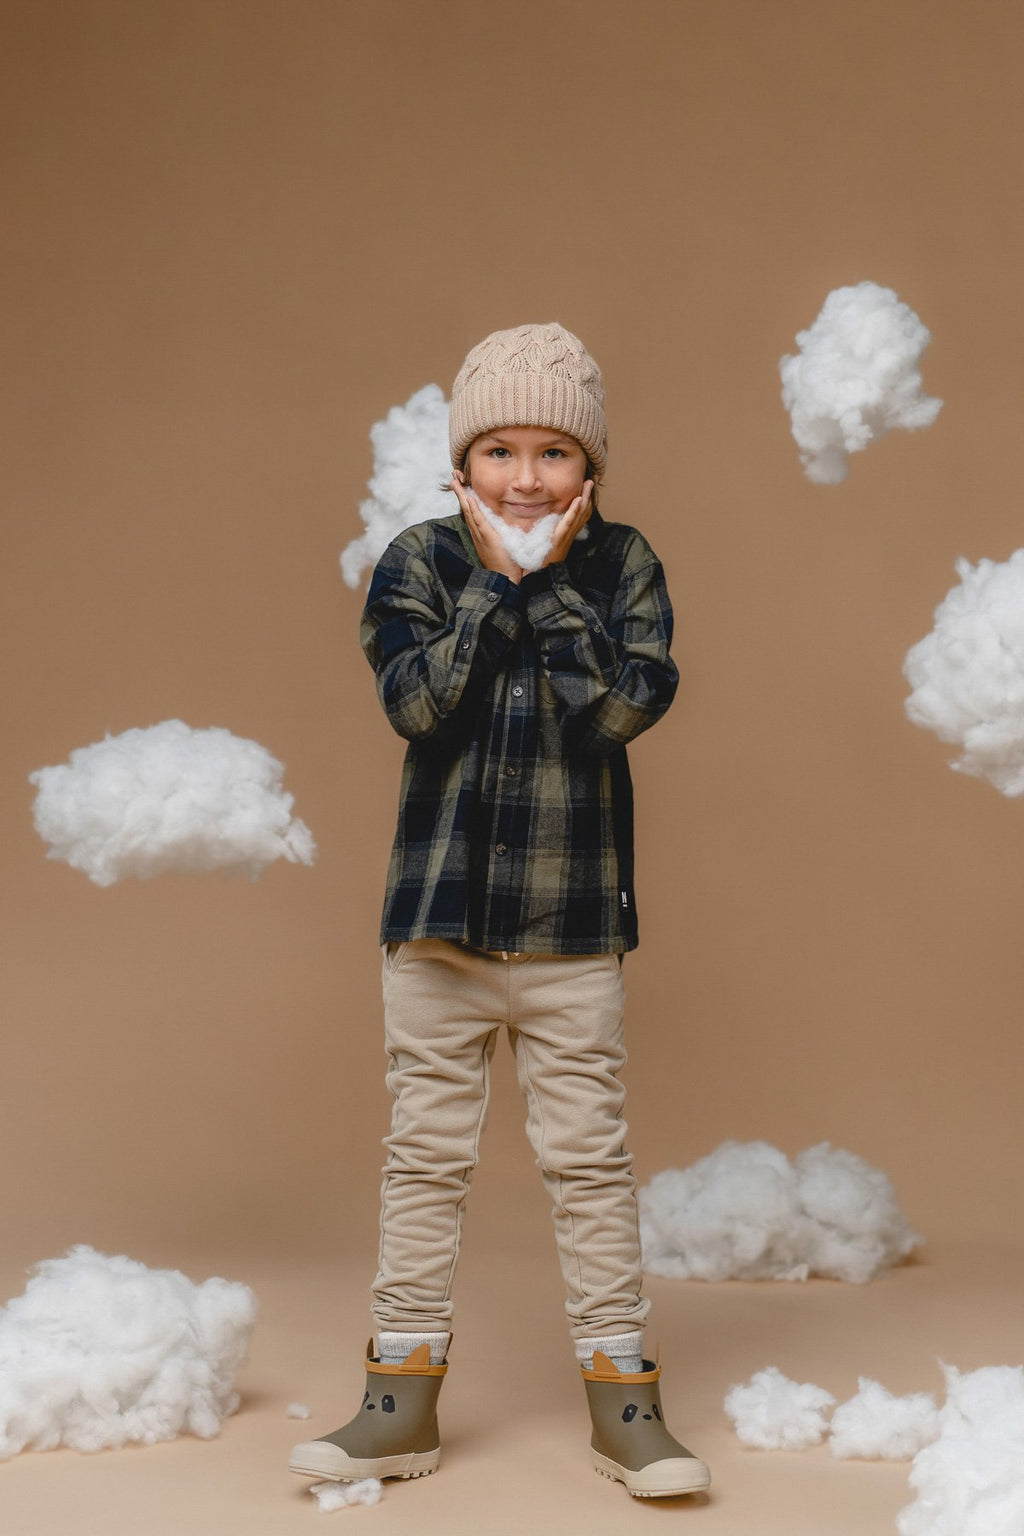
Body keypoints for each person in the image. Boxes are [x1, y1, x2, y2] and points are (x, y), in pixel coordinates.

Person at [289, 323, 710, 1499]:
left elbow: (622, 710)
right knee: (424, 1160)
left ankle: (627, 1409)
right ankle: (396, 1406)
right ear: (462, 464)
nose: (527, 478)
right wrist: (494, 586)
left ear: (591, 468)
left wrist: (552, 590)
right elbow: (419, 708)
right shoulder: (419, 563)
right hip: (440, 927)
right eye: (500, 451)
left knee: (589, 1162)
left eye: (554, 453)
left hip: (573, 933)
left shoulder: (622, 566)